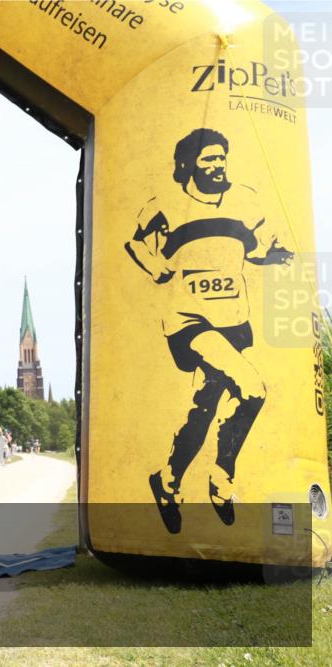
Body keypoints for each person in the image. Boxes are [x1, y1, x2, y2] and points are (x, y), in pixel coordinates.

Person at [124, 128, 293, 534]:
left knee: (203, 409)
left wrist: (276, 258)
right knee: (253, 388)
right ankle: (222, 477)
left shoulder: (245, 201)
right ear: (188, 165)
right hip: (188, 321)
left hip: (234, 320)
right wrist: (155, 266)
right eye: (208, 160)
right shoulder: (166, 203)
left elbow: (255, 251)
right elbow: (135, 242)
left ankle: (166, 481)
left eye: (221, 159)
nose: (217, 166)